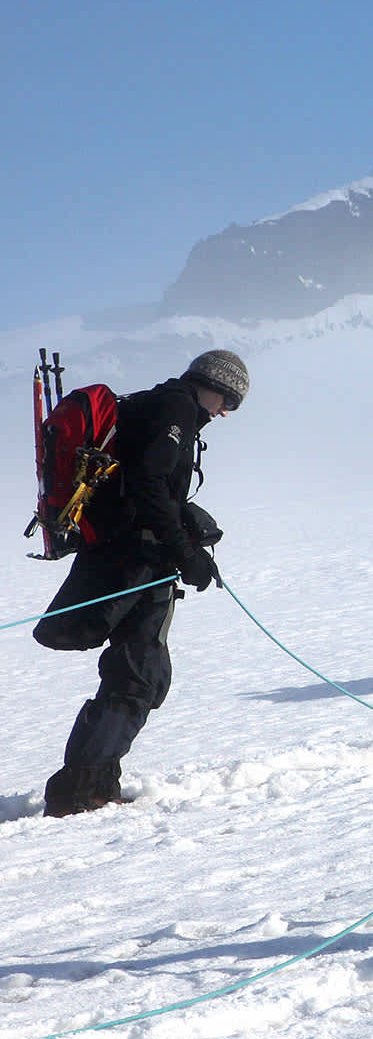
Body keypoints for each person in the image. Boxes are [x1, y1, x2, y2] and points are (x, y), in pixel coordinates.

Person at [34, 350, 247, 816]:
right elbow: (149, 484)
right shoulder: (174, 410)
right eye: (227, 400)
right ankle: (82, 790)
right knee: (140, 677)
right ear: (210, 385)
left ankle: (93, 782)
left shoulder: (159, 404)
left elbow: (145, 482)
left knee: (136, 674)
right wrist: (183, 551)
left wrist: (182, 533)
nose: (225, 412)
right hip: (135, 561)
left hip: (126, 555)